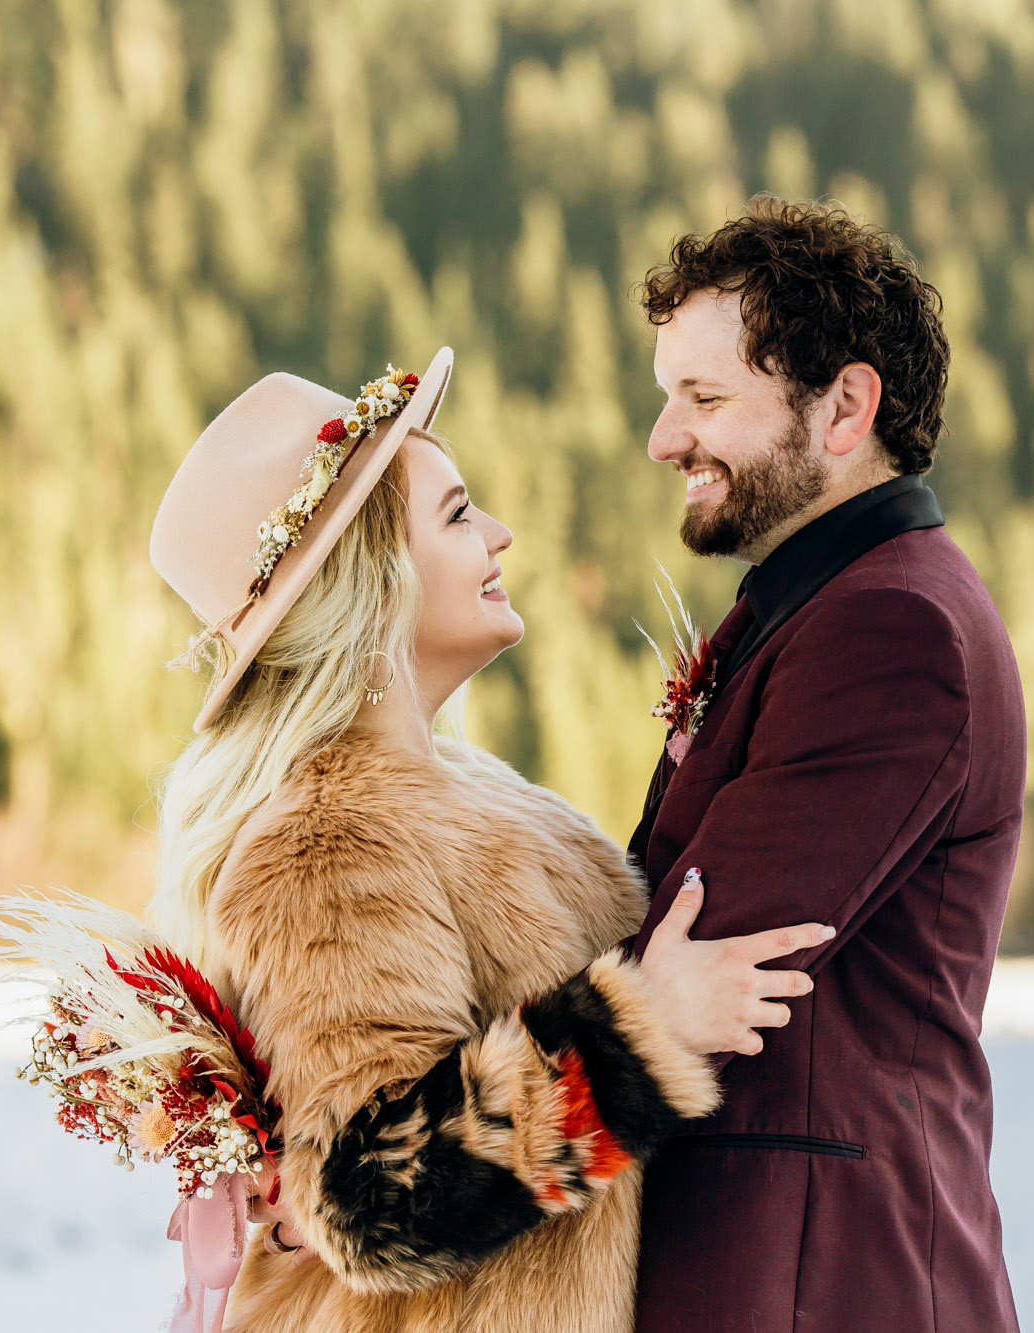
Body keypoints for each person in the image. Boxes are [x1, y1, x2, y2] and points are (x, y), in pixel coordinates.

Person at [143, 354, 829, 1333]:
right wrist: (646, 1032)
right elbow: (372, 1200)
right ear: (371, 582)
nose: (500, 533)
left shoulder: (476, 792)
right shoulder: (325, 839)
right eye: (459, 514)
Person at [626, 197, 1026, 1332]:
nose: (664, 438)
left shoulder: (891, 633)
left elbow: (687, 957)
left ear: (845, 406)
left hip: (820, 1281)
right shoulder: (821, 608)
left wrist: (394, 1137)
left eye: (703, 398)